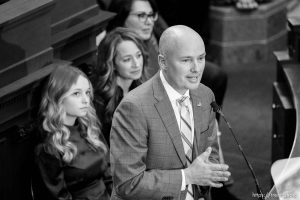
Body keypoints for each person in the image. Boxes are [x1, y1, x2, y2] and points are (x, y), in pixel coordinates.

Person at [110, 25, 231, 200]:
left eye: (201, 58)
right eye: (186, 60)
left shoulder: (205, 95)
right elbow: (128, 184)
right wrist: (188, 176)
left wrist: (209, 172)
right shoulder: (133, 107)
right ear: (163, 62)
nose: (196, 68)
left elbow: (209, 153)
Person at [100, 0, 228, 121]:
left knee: (215, 76)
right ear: (122, 16)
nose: (149, 21)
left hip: (171, 72)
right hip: (155, 92)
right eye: (141, 15)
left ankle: (210, 133)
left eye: (151, 15)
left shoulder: (155, 29)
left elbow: (178, 43)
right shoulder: (113, 45)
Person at [33, 65, 111, 200]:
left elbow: (110, 176)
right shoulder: (48, 148)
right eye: (76, 93)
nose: (85, 100)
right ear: (58, 97)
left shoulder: (90, 130)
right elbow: (58, 197)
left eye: (87, 92)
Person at [91, 27, 146, 145]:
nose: (136, 64)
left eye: (138, 55)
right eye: (127, 60)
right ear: (112, 64)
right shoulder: (99, 100)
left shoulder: (141, 88)